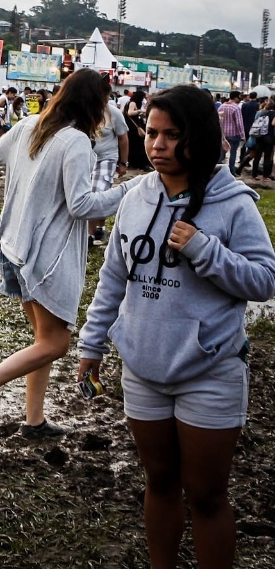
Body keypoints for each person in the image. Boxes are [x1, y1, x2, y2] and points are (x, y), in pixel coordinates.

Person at [77, 84, 275, 569]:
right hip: (143, 370)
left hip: (210, 372)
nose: (157, 144)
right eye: (152, 132)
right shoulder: (137, 197)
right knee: (159, 482)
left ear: (200, 138)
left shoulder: (233, 202)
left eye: (172, 135)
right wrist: (92, 343)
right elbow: (114, 278)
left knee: (206, 495)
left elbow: (264, 280)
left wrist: (205, 250)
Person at [0, 69, 143, 442]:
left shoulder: (30, 123)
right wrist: (130, 190)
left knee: (41, 340)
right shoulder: (75, 141)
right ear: (94, 104)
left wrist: (24, 163)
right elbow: (82, 205)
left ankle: (35, 422)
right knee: (55, 344)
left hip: (13, 245)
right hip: (44, 253)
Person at [87, 96, 130, 247]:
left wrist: (123, 163)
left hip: (107, 158)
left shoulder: (113, 113)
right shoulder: (83, 111)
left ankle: (89, 234)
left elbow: (123, 138)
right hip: (86, 158)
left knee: (97, 192)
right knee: (91, 192)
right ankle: (100, 228)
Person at [217, 91, 244, 176]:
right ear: (235, 97)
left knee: (222, 152)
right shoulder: (236, 108)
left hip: (224, 134)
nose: (240, 99)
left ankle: (218, 169)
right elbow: (239, 123)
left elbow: (218, 120)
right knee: (233, 153)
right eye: (239, 97)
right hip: (234, 134)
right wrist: (242, 135)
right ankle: (231, 171)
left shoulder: (221, 106)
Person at [124, 89, 151, 170]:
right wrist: (140, 111)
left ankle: (132, 163)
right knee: (137, 146)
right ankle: (137, 163)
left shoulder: (128, 102)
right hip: (133, 128)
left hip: (130, 127)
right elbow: (130, 112)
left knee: (133, 146)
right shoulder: (133, 103)